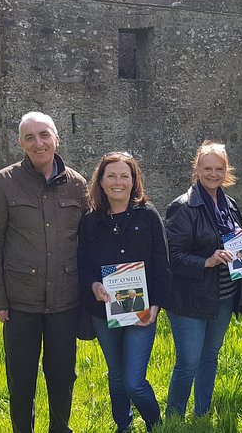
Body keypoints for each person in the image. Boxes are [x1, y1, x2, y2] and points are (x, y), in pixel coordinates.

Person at [0, 112, 88, 433]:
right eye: (30, 137)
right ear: (20, 143)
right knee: (21, 377)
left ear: (57, 138)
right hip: (19, 304)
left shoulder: (78, 185)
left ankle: (60, 428)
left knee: (62, 375)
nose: (38, 143)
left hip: (65, 302)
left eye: (44, 135)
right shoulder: (4, 183)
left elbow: (88, 242)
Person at [77, 152, 169, 433]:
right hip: (103, 311)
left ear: (133, 181)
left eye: (124, 176)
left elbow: (162, 264)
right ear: (101, 182)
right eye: (111, 176)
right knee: (116, 377)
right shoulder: (90, 220)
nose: (118, 182)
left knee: (133, 380)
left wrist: (155, 306)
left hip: (143, 311)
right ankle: (123, 425)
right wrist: (93, 285)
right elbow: (82, 263)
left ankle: (156, 425)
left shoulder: (148, 214)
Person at [164, 141, 242, 418]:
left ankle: (202, 413)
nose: (213, 174)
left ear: (226, 170)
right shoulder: (182, 207)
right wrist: (206, 261)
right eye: (207, 168)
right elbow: (172, 257)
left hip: (223, 298)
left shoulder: (231, 204)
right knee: (188, 362)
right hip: (189, 299)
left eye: (219, 168)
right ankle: (175, 417)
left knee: (209, 358)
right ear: (197, 169)